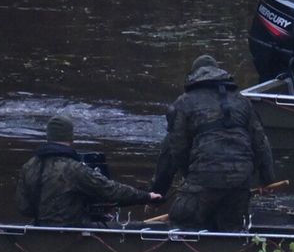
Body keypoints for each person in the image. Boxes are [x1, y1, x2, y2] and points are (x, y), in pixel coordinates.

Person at [163, 54, 276, 231]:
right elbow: (261, 144)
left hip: (203, 177)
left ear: (194, 75)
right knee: (231, 230)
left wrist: (161, 190)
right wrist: (267, 180)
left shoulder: (183, 103)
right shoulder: (242, 101)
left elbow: (175, 150)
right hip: (240, 181)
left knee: (181, 221)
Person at [16, 114, 161, 225]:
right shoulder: (74, 168)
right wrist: (146, 196)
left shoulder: (29, 166)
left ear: (48, 136)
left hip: (38, 230)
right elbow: (110, 190)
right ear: (71, 138)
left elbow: (24, 208)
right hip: (70, 231)